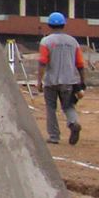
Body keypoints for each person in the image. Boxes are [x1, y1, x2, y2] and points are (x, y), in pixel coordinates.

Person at [37, 11, 85, 145]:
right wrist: (82, 81)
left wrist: (39, 81)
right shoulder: (73, 42)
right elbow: (80, 64)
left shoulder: (46, 41)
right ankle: (73, 123)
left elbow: (42, 62)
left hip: (51, 81)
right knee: (68, 106)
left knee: (51, 108)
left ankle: (54, 136)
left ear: (49, 25)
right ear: (64, 24)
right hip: (69, 81)